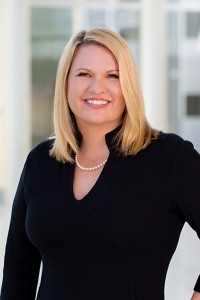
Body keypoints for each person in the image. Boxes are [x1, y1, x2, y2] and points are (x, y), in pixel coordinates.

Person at [0, 27, 200, 300]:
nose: (97, 88)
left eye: (113, 76)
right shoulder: (40, 162)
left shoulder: (170, 157)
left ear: (128, 84)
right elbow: (17, 273)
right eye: (84, 74)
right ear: (66, 83)